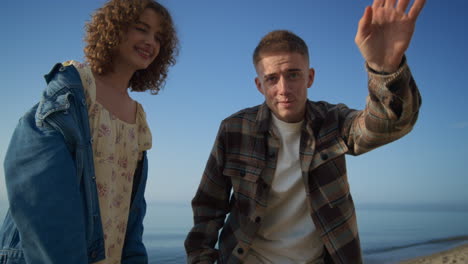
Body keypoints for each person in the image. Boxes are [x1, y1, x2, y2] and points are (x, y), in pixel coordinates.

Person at [185, 0, 425, 263]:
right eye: (272, 79)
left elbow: (390, 124)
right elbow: (208, 208)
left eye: (293, 75)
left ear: (310, 77)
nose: (284, 88)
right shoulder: (234, 129)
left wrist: (384, 69)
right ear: (259, 85)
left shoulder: (333, 121)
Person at [0, 0, 178, 263]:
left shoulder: (138, 116)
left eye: (159, 37)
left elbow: (132, 210)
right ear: (114, 29)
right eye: (141, 28)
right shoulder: (73, 90)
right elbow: (40, 200)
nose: (150, 41)